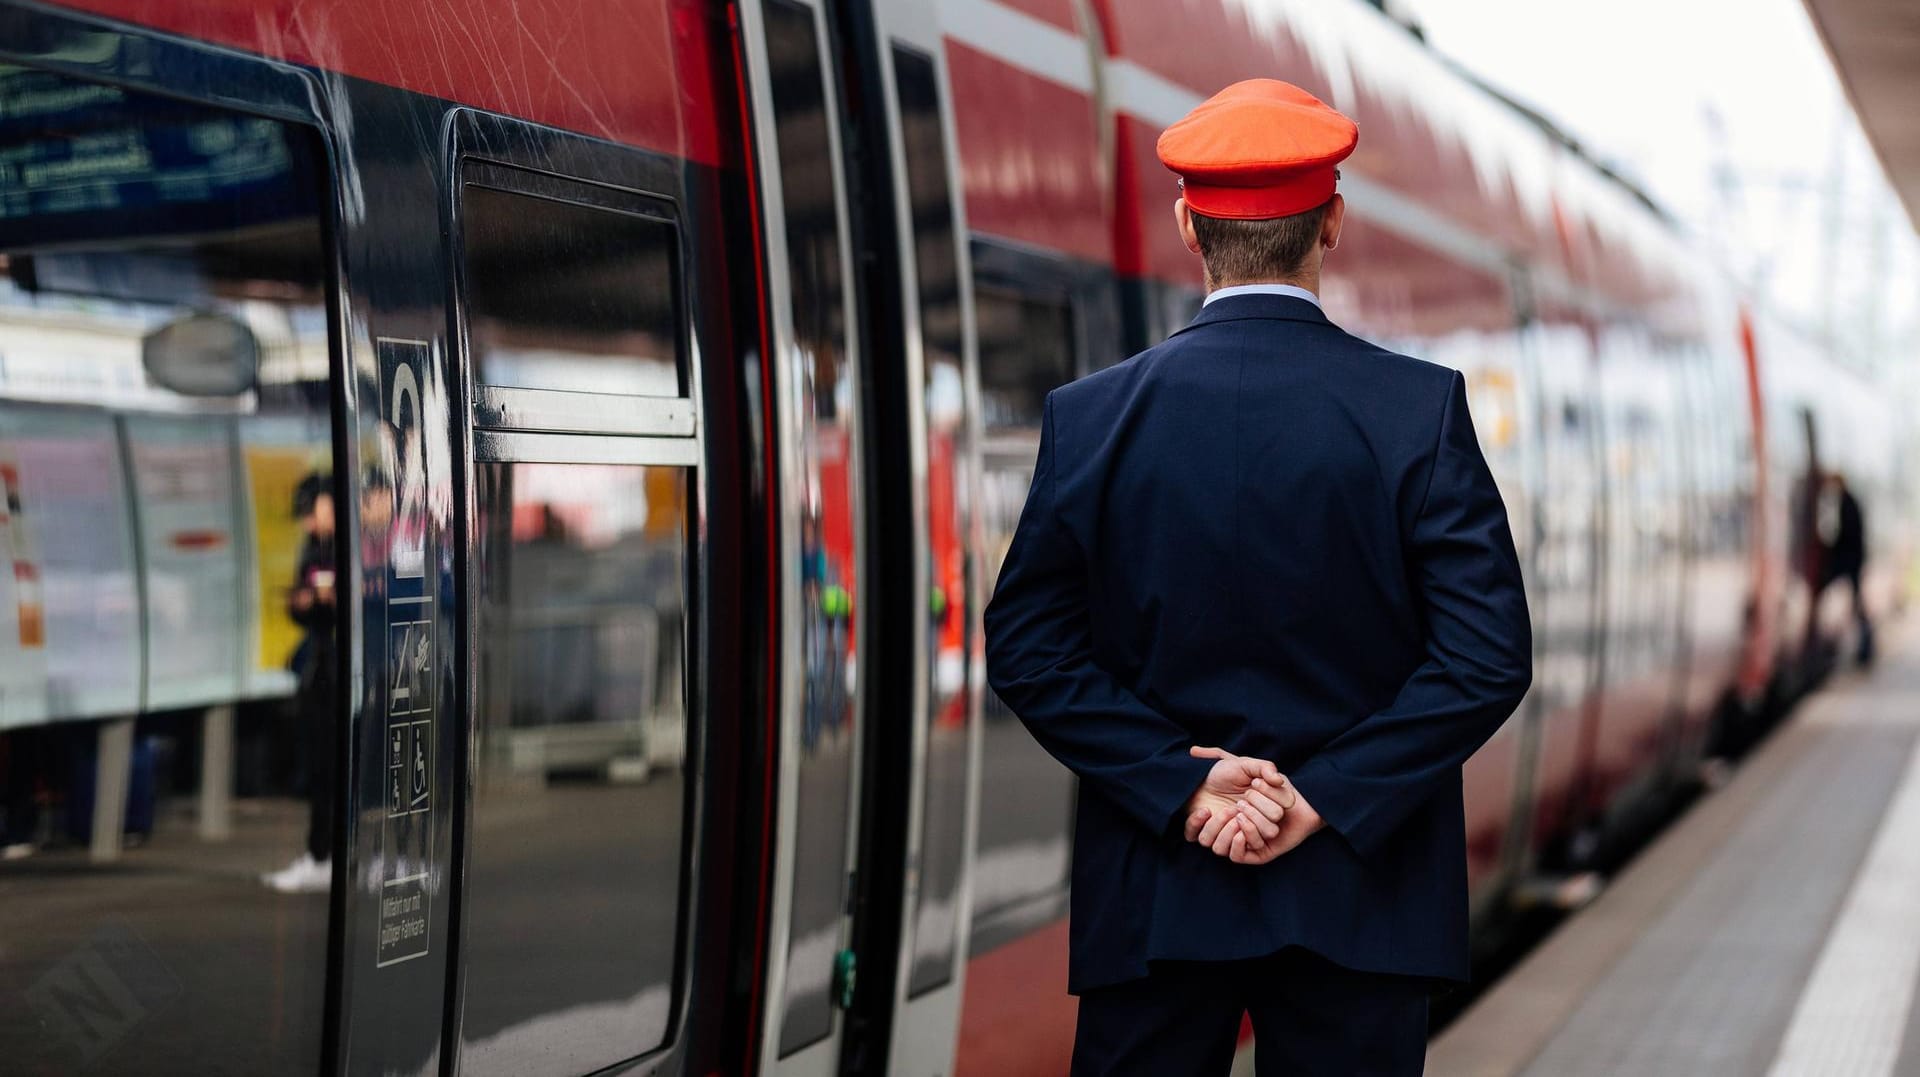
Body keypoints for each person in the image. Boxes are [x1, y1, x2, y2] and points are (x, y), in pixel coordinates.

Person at [983, 79, 1532, 1075]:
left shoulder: (1091, 419)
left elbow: (1026, 647)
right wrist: (1321, 799)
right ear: (1332, 224)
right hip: (1362, 901)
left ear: (1188, 227)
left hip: (1155, 897)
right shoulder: (1420, 413)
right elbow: (1487, 660)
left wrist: (1185, 791)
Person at [264, 472, 339, 893]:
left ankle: (329, 855)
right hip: (320, 666)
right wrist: (302, 602)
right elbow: (300, 599)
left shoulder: (354, 543)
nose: (308, 524)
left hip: (347, 668)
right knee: (319, 765)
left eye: (311, 513)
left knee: (335, 767)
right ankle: (320, 854)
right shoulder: (313, 547)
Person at [1823, 472, 1873, 666]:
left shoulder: (1847, 503)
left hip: (1850, 561)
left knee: (1857, 604)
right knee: (1857, 603)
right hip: (1854, 560)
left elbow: (1846, 535)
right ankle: (1864, 647)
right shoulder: (1849, 501)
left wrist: (1832, 549)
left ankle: (1865, 647)